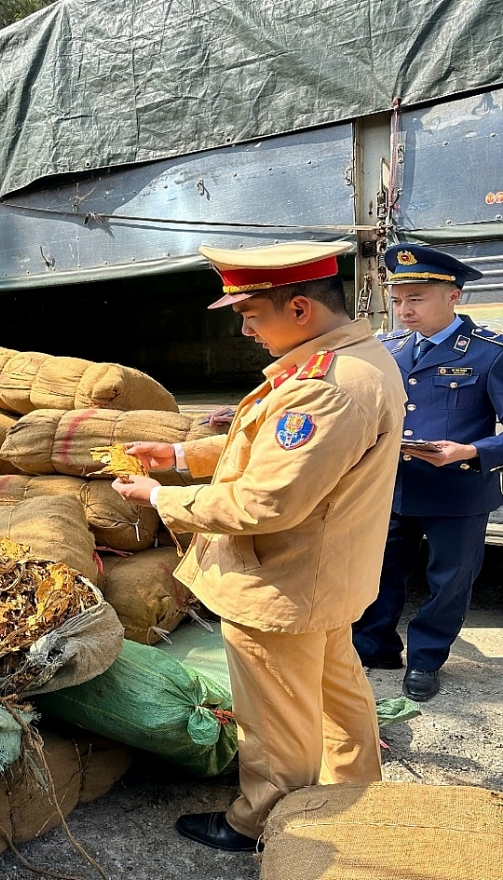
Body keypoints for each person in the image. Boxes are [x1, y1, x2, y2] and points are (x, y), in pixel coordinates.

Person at [111, 241, 406, 852]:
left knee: (273, 721)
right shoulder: (347, 361)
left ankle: (266, 823)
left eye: (250, 315)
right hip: (322, 577)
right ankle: (355, 797)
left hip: (283, 580)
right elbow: (273, 455)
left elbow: (266, 502)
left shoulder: (326, 387)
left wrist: (162, 498)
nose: (244, 330)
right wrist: (179, 456)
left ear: (300, 308)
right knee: (334, 693)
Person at [352, 243, 503, 702]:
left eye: (416, 298)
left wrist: (470, 451)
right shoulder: (388, 348)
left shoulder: (489, 353)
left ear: (454, 296)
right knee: (377, 572)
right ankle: (373, 649)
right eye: (397, 300)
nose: (403, 311)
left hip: (457, 492)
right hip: (391, 487)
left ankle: (425, 659)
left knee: (448, 582)